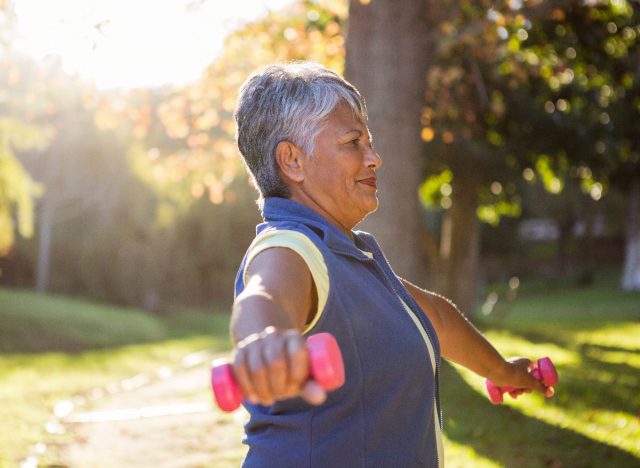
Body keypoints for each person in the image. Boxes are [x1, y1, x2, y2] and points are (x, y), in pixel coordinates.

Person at [230, 61, 552, 467]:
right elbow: (266, 295)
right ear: (292, 160)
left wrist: (504, 371)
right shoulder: (292, 247)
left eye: (370, 142)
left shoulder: (348, 257)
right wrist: (265, 340)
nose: (374, 158)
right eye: (353, 142)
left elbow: (434, 316)